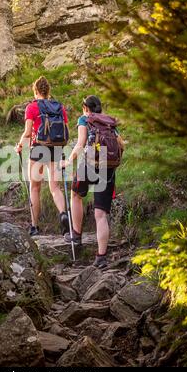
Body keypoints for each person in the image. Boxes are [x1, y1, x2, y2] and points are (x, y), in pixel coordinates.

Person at [62, 95, 123, 268]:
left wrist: (68, 161)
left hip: (89, 164)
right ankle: (101, 257)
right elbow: (120, 145)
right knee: (101, 214)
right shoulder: (109, 122)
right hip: (108, 167)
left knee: (76, 194)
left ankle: (76, 234)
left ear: (85, 108)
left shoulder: (85, 119)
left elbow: (81, 143)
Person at [16, 76, 70, 237]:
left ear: (36, 91)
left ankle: (34, 227)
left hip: (38, 148)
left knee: (35, 187)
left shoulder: (32, 107)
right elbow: (66, 131)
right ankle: (63, 214)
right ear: (48, 91)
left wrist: (19, 146)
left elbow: (27, 132)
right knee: (55, 188)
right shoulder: (59, 107)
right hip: (56, 148)